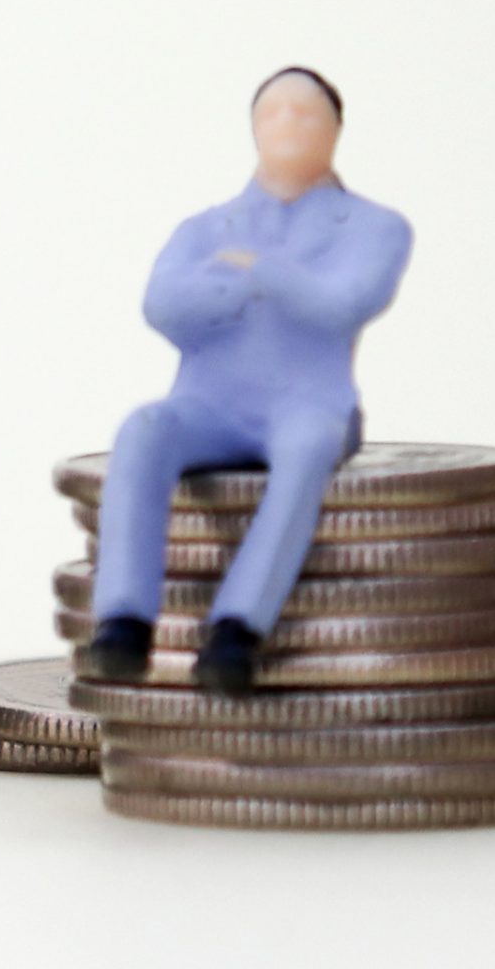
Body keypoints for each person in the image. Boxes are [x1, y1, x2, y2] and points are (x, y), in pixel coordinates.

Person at [83, 67, 412, 696]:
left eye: (307, 114)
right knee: (144, 428)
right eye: (274, 112)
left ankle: (238, 628)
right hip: (211, 401)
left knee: (307, 447)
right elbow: (162, 304)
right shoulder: (207, 226)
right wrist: (235, 283)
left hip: (309, 401)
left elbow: (344, 304)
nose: (288, 124)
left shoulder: (376, 227)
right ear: (254, 129)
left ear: (337, 131)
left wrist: (260, 271)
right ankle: (123, 619)